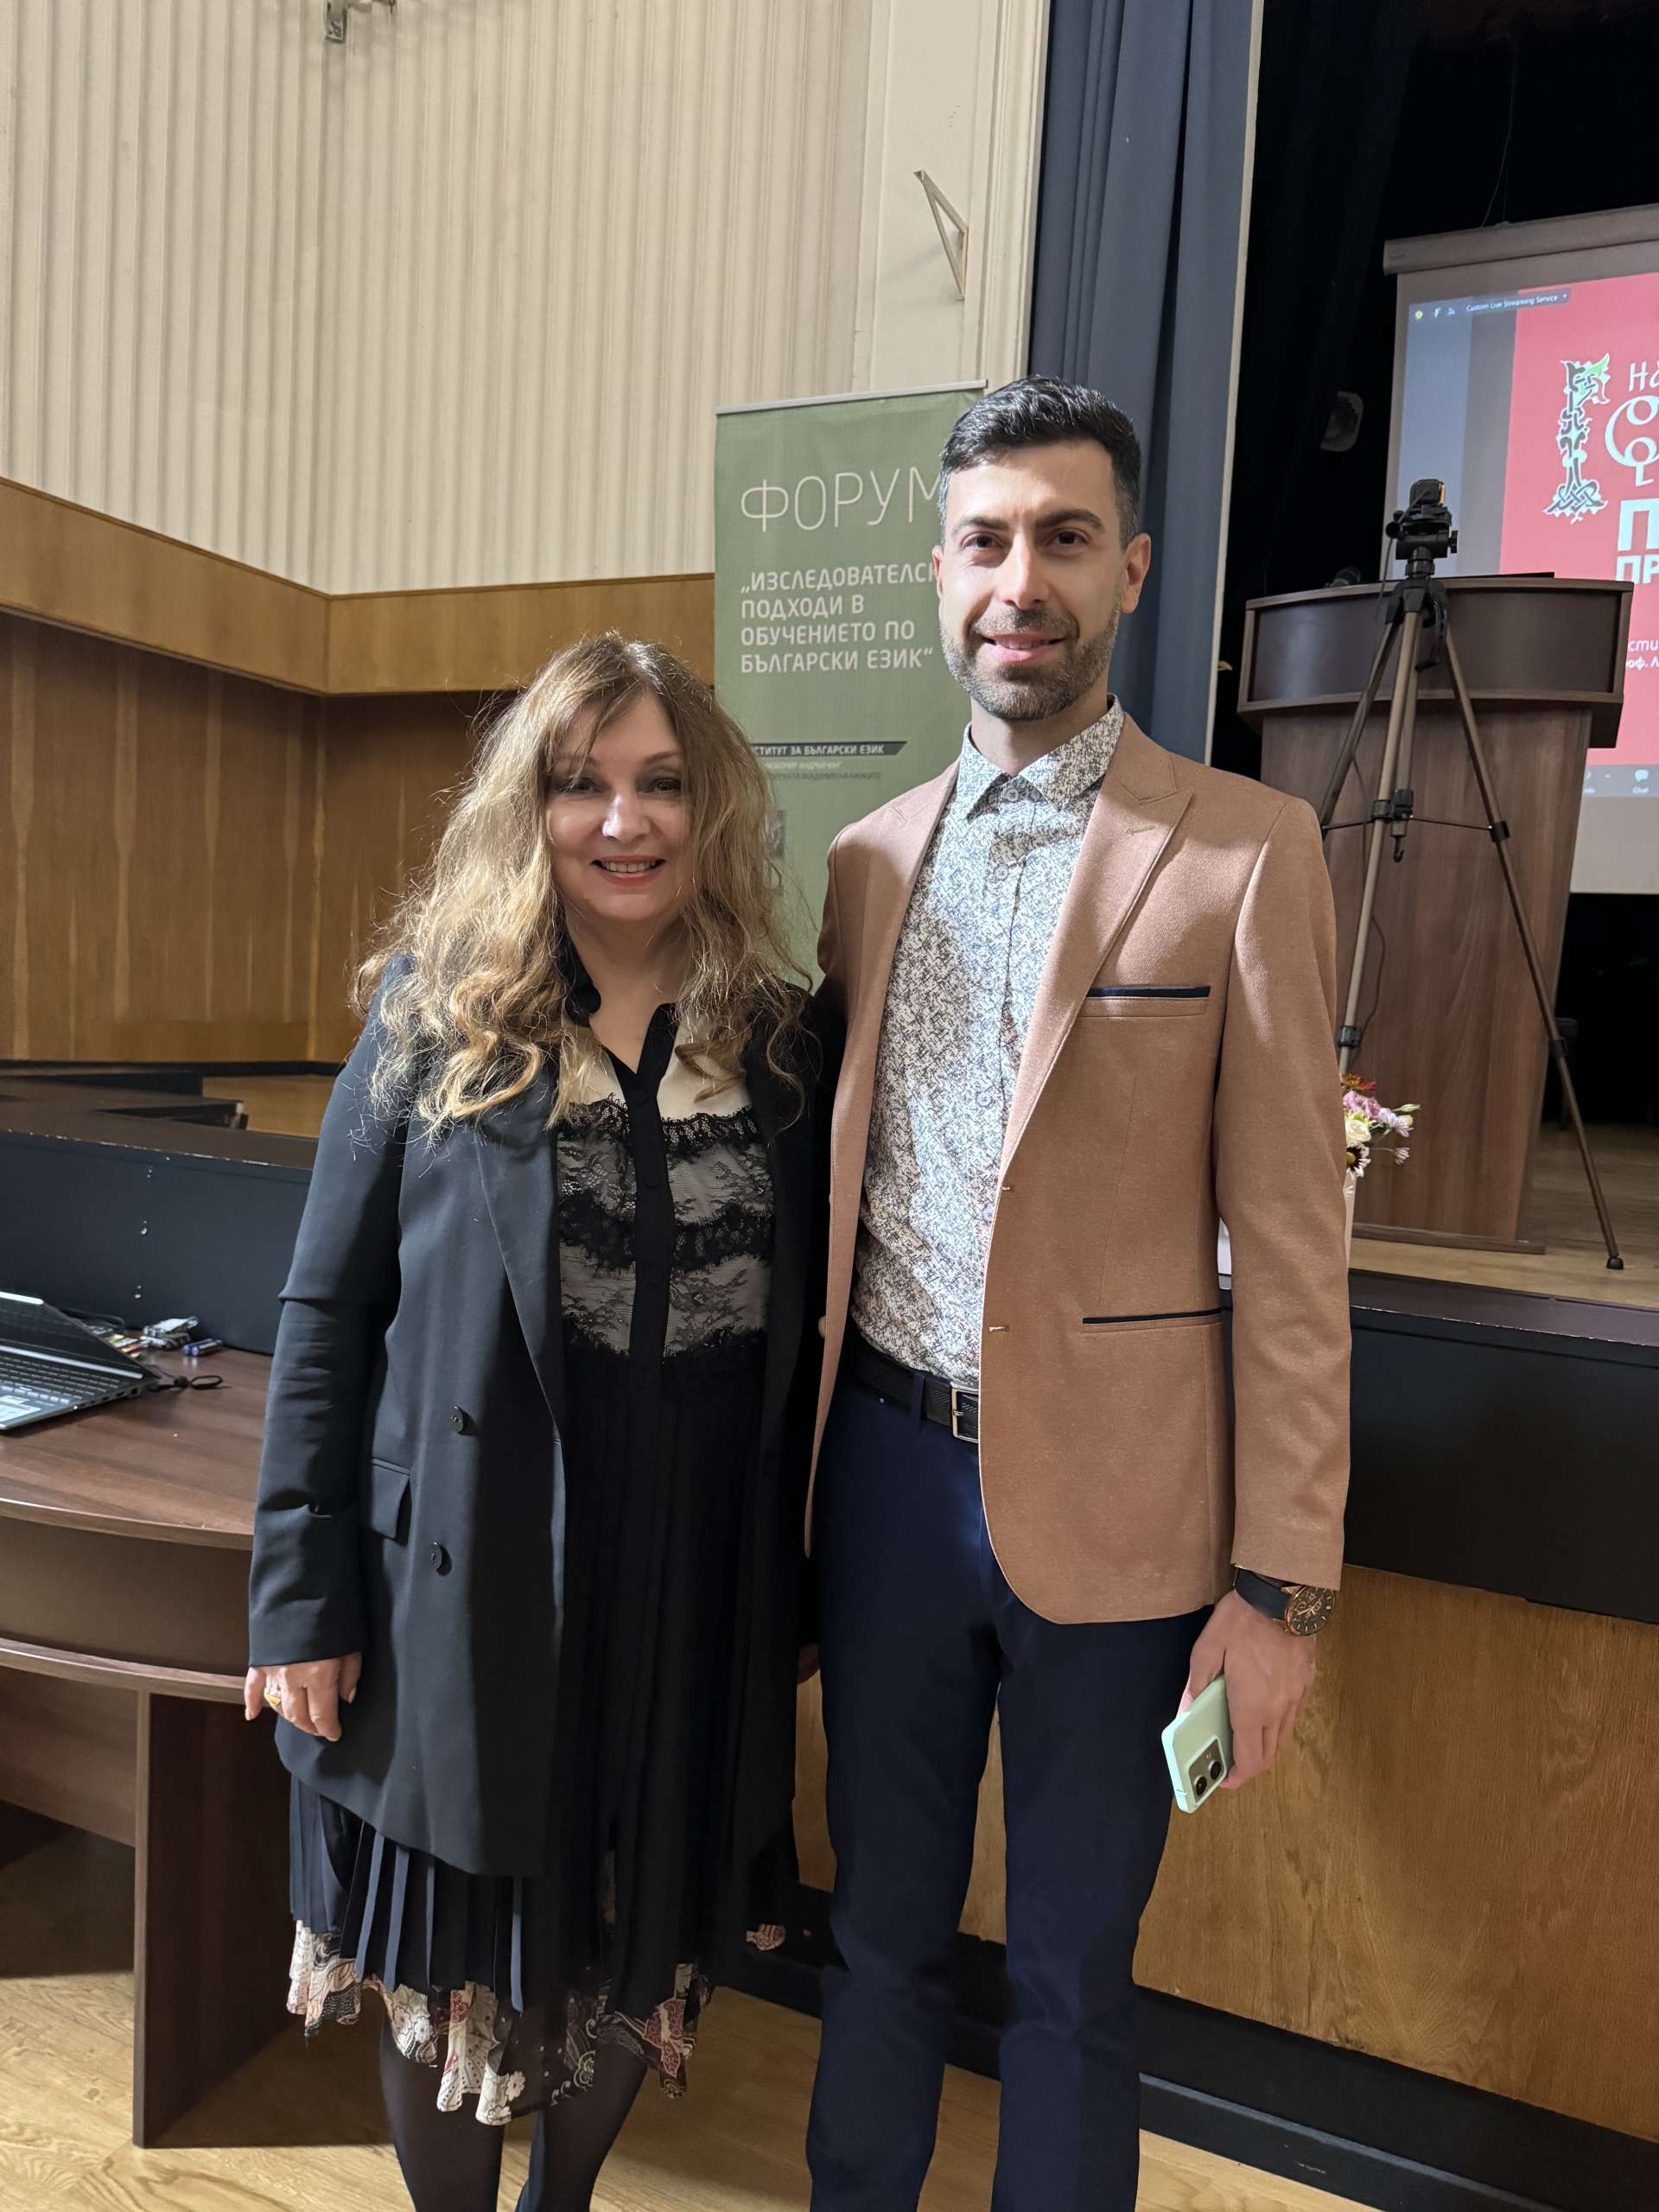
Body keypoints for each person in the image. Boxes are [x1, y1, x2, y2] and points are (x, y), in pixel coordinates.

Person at [804, 379, 1351, 2211]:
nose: (1018, 580)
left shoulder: (1247, 852)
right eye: (984, 540)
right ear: (938, 571)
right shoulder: (865, 862)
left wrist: (1280, 1586)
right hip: (885, 1480)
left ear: (1131, 566)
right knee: (874, 1937)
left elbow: (1295, 1256)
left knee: (1070, 1975)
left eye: (1061, 536)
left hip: (1127, 1516)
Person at [245, 634, 834, 2212]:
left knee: (640, 1926)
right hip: (471, 1566)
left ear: (714, 813)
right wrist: (300, 1598)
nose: (624, 822)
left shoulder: (781, 1045)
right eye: (582, 784)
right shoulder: (438, 1017)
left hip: (693, 1571)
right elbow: (326, 1312)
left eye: (662, 785)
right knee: (457, 1944)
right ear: (531, 809)